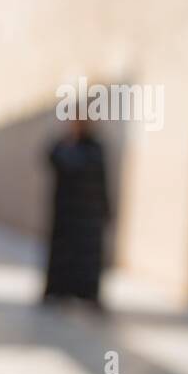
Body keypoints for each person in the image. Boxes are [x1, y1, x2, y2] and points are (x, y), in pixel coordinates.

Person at [42, 118, 111, 308]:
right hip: (66, 214)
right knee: (62, 256)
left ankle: (87, 294)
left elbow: (101, 178)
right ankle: (59, 292)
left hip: (89, 216)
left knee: (87, 261)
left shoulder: (94, 148)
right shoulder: (64, 145)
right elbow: (53, 160)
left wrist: (106, 209)